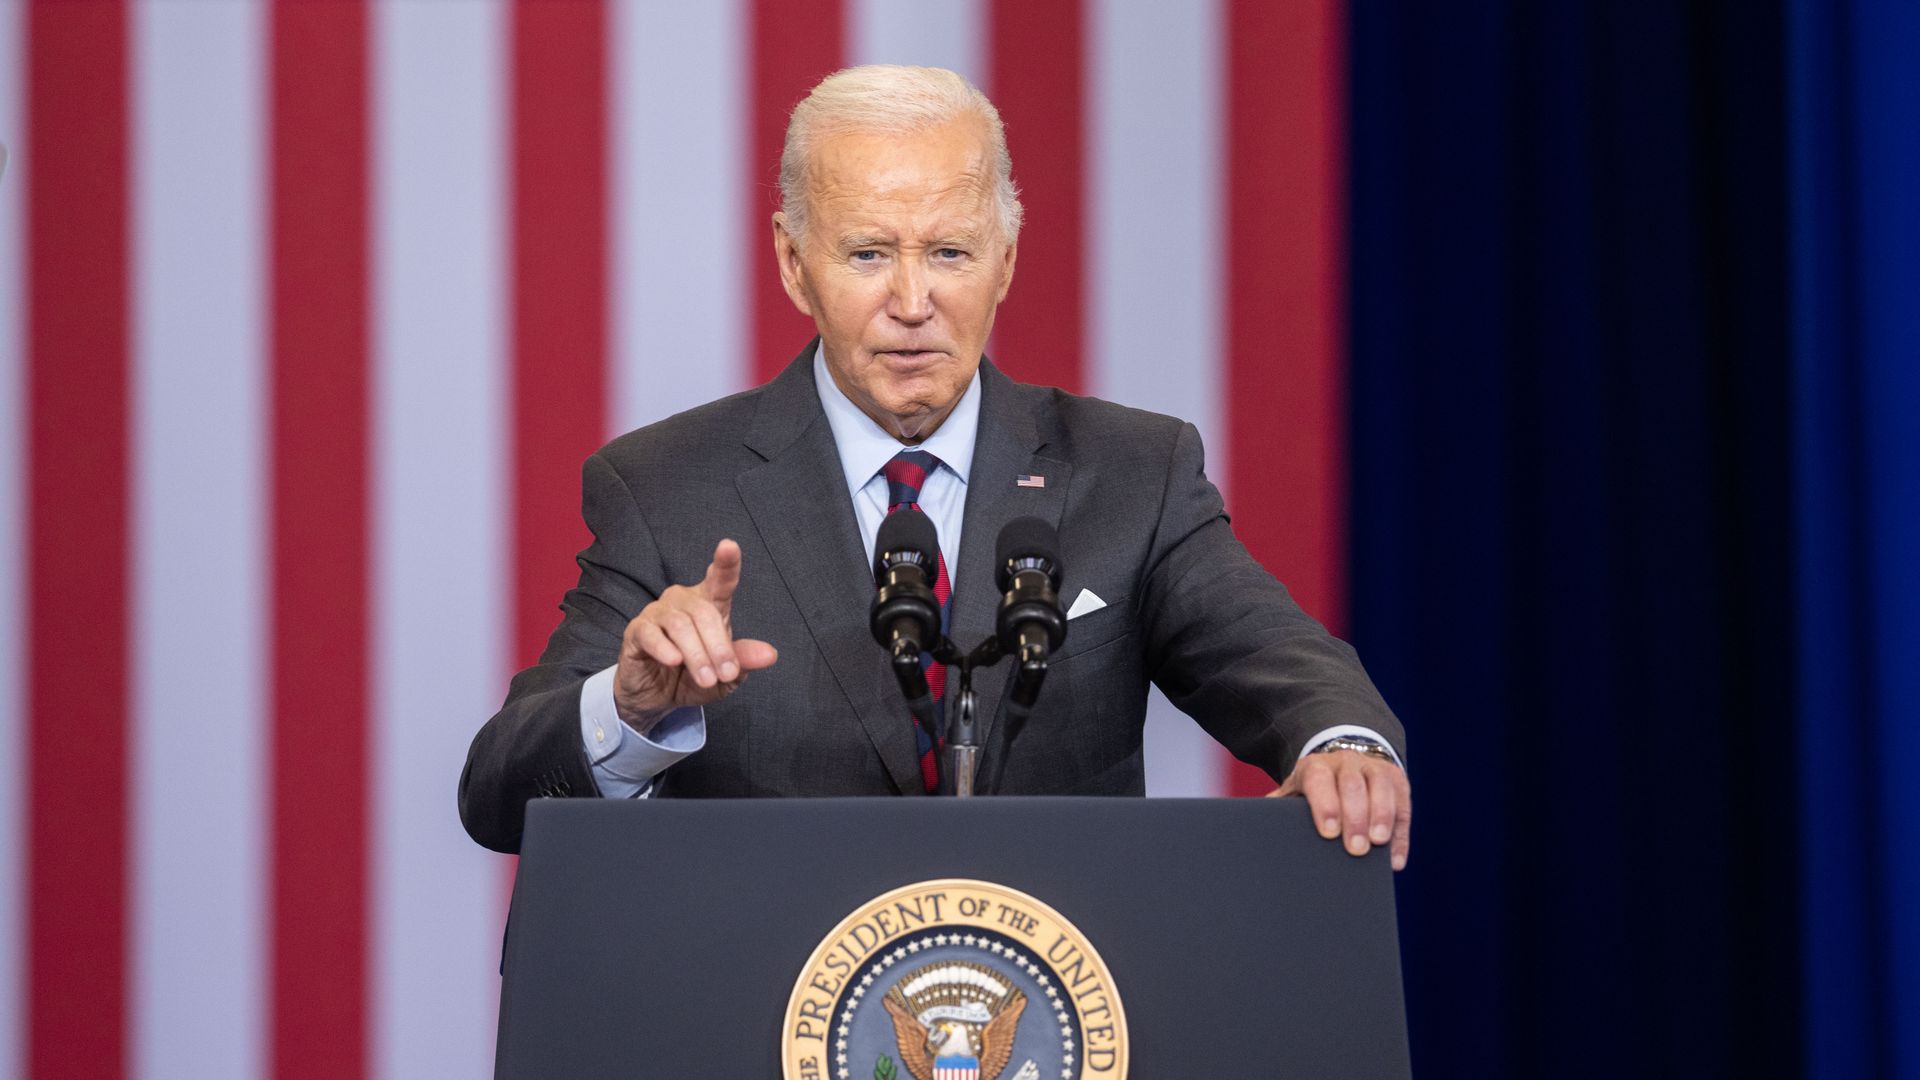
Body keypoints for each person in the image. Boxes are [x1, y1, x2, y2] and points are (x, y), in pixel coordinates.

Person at [459, 65, 1410, 869]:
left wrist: (1344, 745)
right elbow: (499, 792)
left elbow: (1279, 661)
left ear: (1003, 259)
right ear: (795, 265)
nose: (913, 301)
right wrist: (628, 709)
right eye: (869, 253)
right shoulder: (666, 487)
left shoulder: (1132, 473)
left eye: (949, 252)